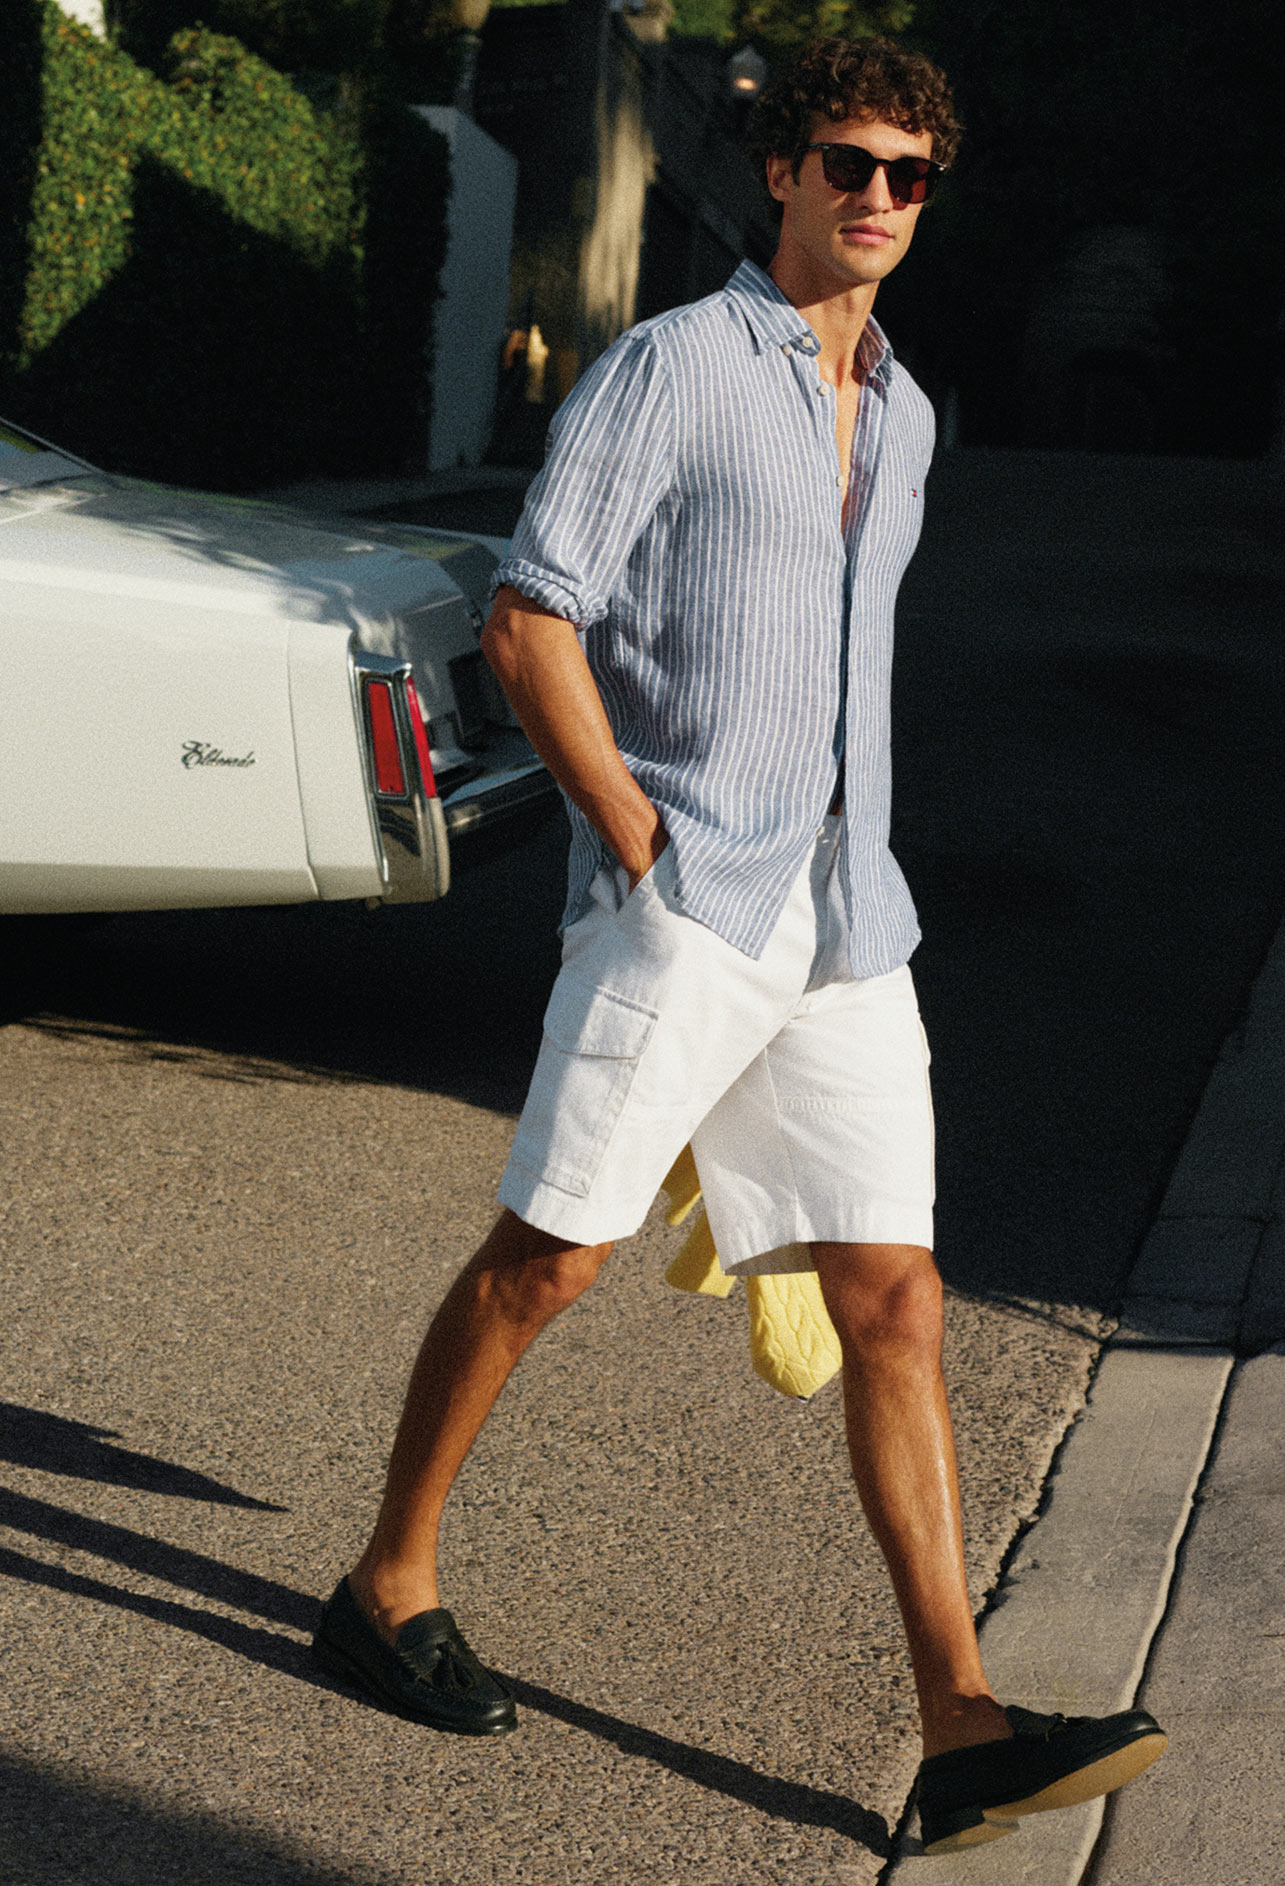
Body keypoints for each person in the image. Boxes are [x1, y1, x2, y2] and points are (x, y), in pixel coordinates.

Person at [313, 35, 1166, 1855]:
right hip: (689, 901)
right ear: (778, 173)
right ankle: (386, 1579)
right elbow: (534, 616)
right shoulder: (673, 372)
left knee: (901, 1302)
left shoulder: (913, 417)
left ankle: (958, 1721)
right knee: (547, 1261)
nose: (873, 197)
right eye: (843, 164)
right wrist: (644, 849)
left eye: (906, 176)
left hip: (854, 918)